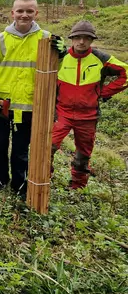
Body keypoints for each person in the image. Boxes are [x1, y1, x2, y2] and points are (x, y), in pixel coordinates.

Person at [0, 0, 67, 194]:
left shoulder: (47, 38)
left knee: (21, 150)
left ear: (36, 13)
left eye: (29, 11)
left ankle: (20, 185)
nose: (24, 15)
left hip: (29, 106)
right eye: (20, 11)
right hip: (0, 105)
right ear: (12, 13)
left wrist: (62, 55)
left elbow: (55, 69)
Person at [51, 21, 127, 189]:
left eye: (86, 38)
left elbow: (125, 72)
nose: (81, 42)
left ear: (92, 40)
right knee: (48, 147)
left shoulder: (101, 58)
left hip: (88, 116)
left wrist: (104, 92)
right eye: (77, 37)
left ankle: (77, 187)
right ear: (71, 38)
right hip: (62, 112)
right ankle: (43, 179)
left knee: (83, 154)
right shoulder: (62, 57)